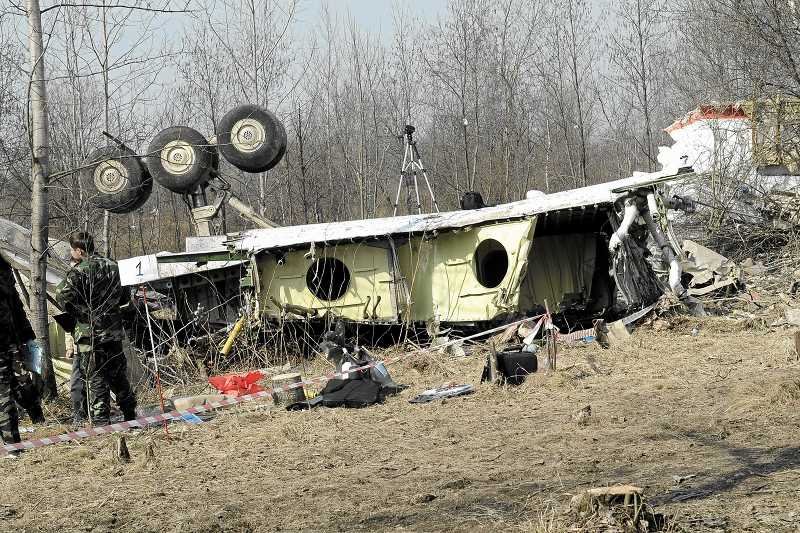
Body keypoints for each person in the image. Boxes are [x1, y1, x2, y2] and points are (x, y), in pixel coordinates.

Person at [55, 232, 137, 426]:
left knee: (96, 377)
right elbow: (125, 298)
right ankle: (130, 412)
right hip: (113, 331)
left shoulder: (80, 271)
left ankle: (101, 422)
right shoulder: (113, 265)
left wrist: (81, 312)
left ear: (80, 250)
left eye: (72, 250)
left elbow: (61, 295)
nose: (71, 253)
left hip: (90, 333)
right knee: (118, 375)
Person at [0, 258, 40, 450]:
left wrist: (27, 335)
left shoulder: (3, 268)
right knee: (4, 393)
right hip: (8, 341)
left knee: (23, 384)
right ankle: (12, 444)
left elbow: (16, 305)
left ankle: (38, 420)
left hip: (11, 341)